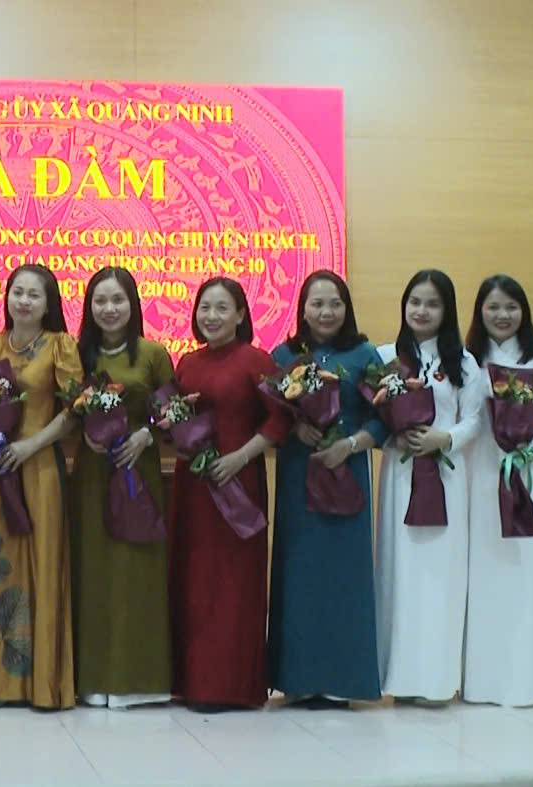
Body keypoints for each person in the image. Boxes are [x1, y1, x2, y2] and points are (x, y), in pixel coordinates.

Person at [0, 263, 80, 711]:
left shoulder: (60, 346)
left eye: (34, 295)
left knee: (42, 565)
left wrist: (31, 445)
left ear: (48, 304)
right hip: (0, 471)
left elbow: (73, 410)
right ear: (7, 297)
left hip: (40, 468)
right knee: (0, 566)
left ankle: (42, 685)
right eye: (18, 292)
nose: (24, 301)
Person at [169, 277, 288, 711]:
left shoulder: (256, 360)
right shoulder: (187, 363)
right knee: (194, 581)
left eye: (222, 308)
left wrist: (241, 457)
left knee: (235, 584)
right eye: (205, 308)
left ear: (240, 314)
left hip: (239, 483)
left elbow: (280, 419)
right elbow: (174, 416)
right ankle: (194, 683)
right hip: (194, 488)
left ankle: (232, 686)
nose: (212, 316)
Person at [268, 270, 385, 708]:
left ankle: (342, 680)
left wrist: (351, 445)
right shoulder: (284, 355)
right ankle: (298, 679)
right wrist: (293, 427)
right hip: (300, 475)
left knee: (344, 579)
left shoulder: (364, 354)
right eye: (316, 304)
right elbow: (270, 415)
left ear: (346, 308)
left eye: (334, 303)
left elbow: (384, 416)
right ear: (302, 310)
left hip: (346, 472)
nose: (326, 312)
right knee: (299, 576)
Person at [374, 270, 484, 706]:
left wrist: (445, 438)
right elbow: (371, 418)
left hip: (446, 477)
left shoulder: (464, 363)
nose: (421, 311)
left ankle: (437, 680)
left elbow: (475, 419)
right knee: (398, 574)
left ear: (447, 311)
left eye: (433, 304)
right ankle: (399, 678)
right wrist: (392, 437)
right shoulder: (386, 357)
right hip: (400, 477)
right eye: (415, 302)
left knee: (441, 575)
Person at [69, 267, 174, 710]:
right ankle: (93, 678)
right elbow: (66, 410)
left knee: (136, 570)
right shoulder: (79, 355)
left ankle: (139, 680)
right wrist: (85, 431)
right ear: (89, 307)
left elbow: (174, 413)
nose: (109, 309)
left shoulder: (153, 354)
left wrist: (146, 434)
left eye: (118, 300)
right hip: (92, 475)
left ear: (133, 305)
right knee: (94, 572)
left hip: (138, 471)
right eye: (100, 301)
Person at [464, 274, 533, 707]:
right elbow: (469, 417)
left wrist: (529, 454)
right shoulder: (469, 360)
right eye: (493, 307)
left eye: (511, 306)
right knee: (482, 570)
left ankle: (523, 678)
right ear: (480, 312)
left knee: (524, 569)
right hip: (481, 473)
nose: (502, 315)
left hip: (525, 476)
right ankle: (481, 680)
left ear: (523, 311)